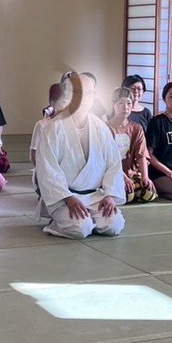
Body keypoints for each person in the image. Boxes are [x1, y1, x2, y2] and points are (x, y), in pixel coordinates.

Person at [36, 72, 126, 239]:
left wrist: (110, 195)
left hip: (94, 196)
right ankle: (55, 224)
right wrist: (68, 198)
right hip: (64, 197)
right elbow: (47, 169)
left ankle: (91, 218)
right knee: (81, 229)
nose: (86, 97)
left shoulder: (101, 127)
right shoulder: (52, 128)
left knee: (113, 225)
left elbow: (114, 164)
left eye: (90, 93)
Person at [107, 86, 157, 203]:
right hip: (112, 172)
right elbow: (108, 158)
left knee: (149, 193)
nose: (125, 107)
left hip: (132, 172)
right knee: (127, 196)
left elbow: (141, 154)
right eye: (121, 103)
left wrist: (145, 177)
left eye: (129, 103)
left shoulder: (136, 128)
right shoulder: (106, 127)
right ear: (113, 105)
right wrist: (122, 177)